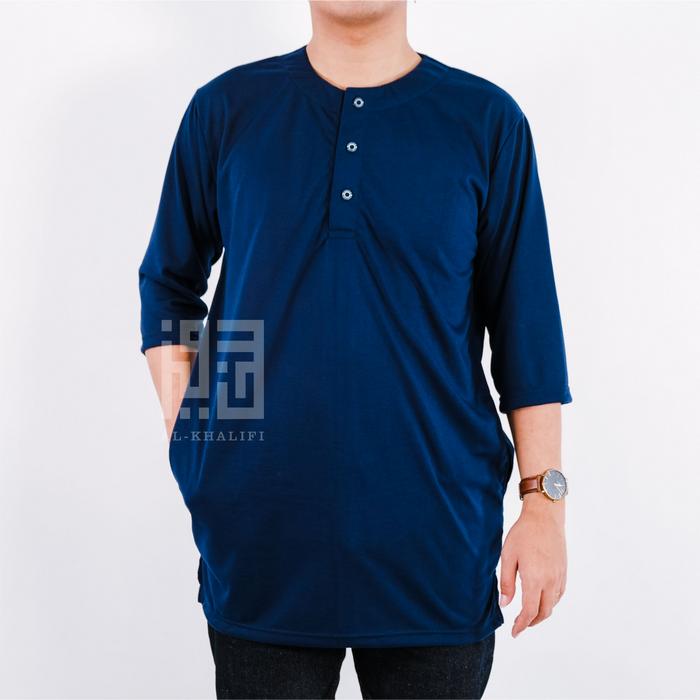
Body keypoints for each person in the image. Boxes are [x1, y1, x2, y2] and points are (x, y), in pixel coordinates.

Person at [138, 1, 572, 697]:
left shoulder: (486, 121)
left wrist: (544, 504)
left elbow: (527, 331)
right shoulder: (226, 109)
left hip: (437, 543)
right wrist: (205, 434)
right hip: (262, 546)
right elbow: (171, 284)